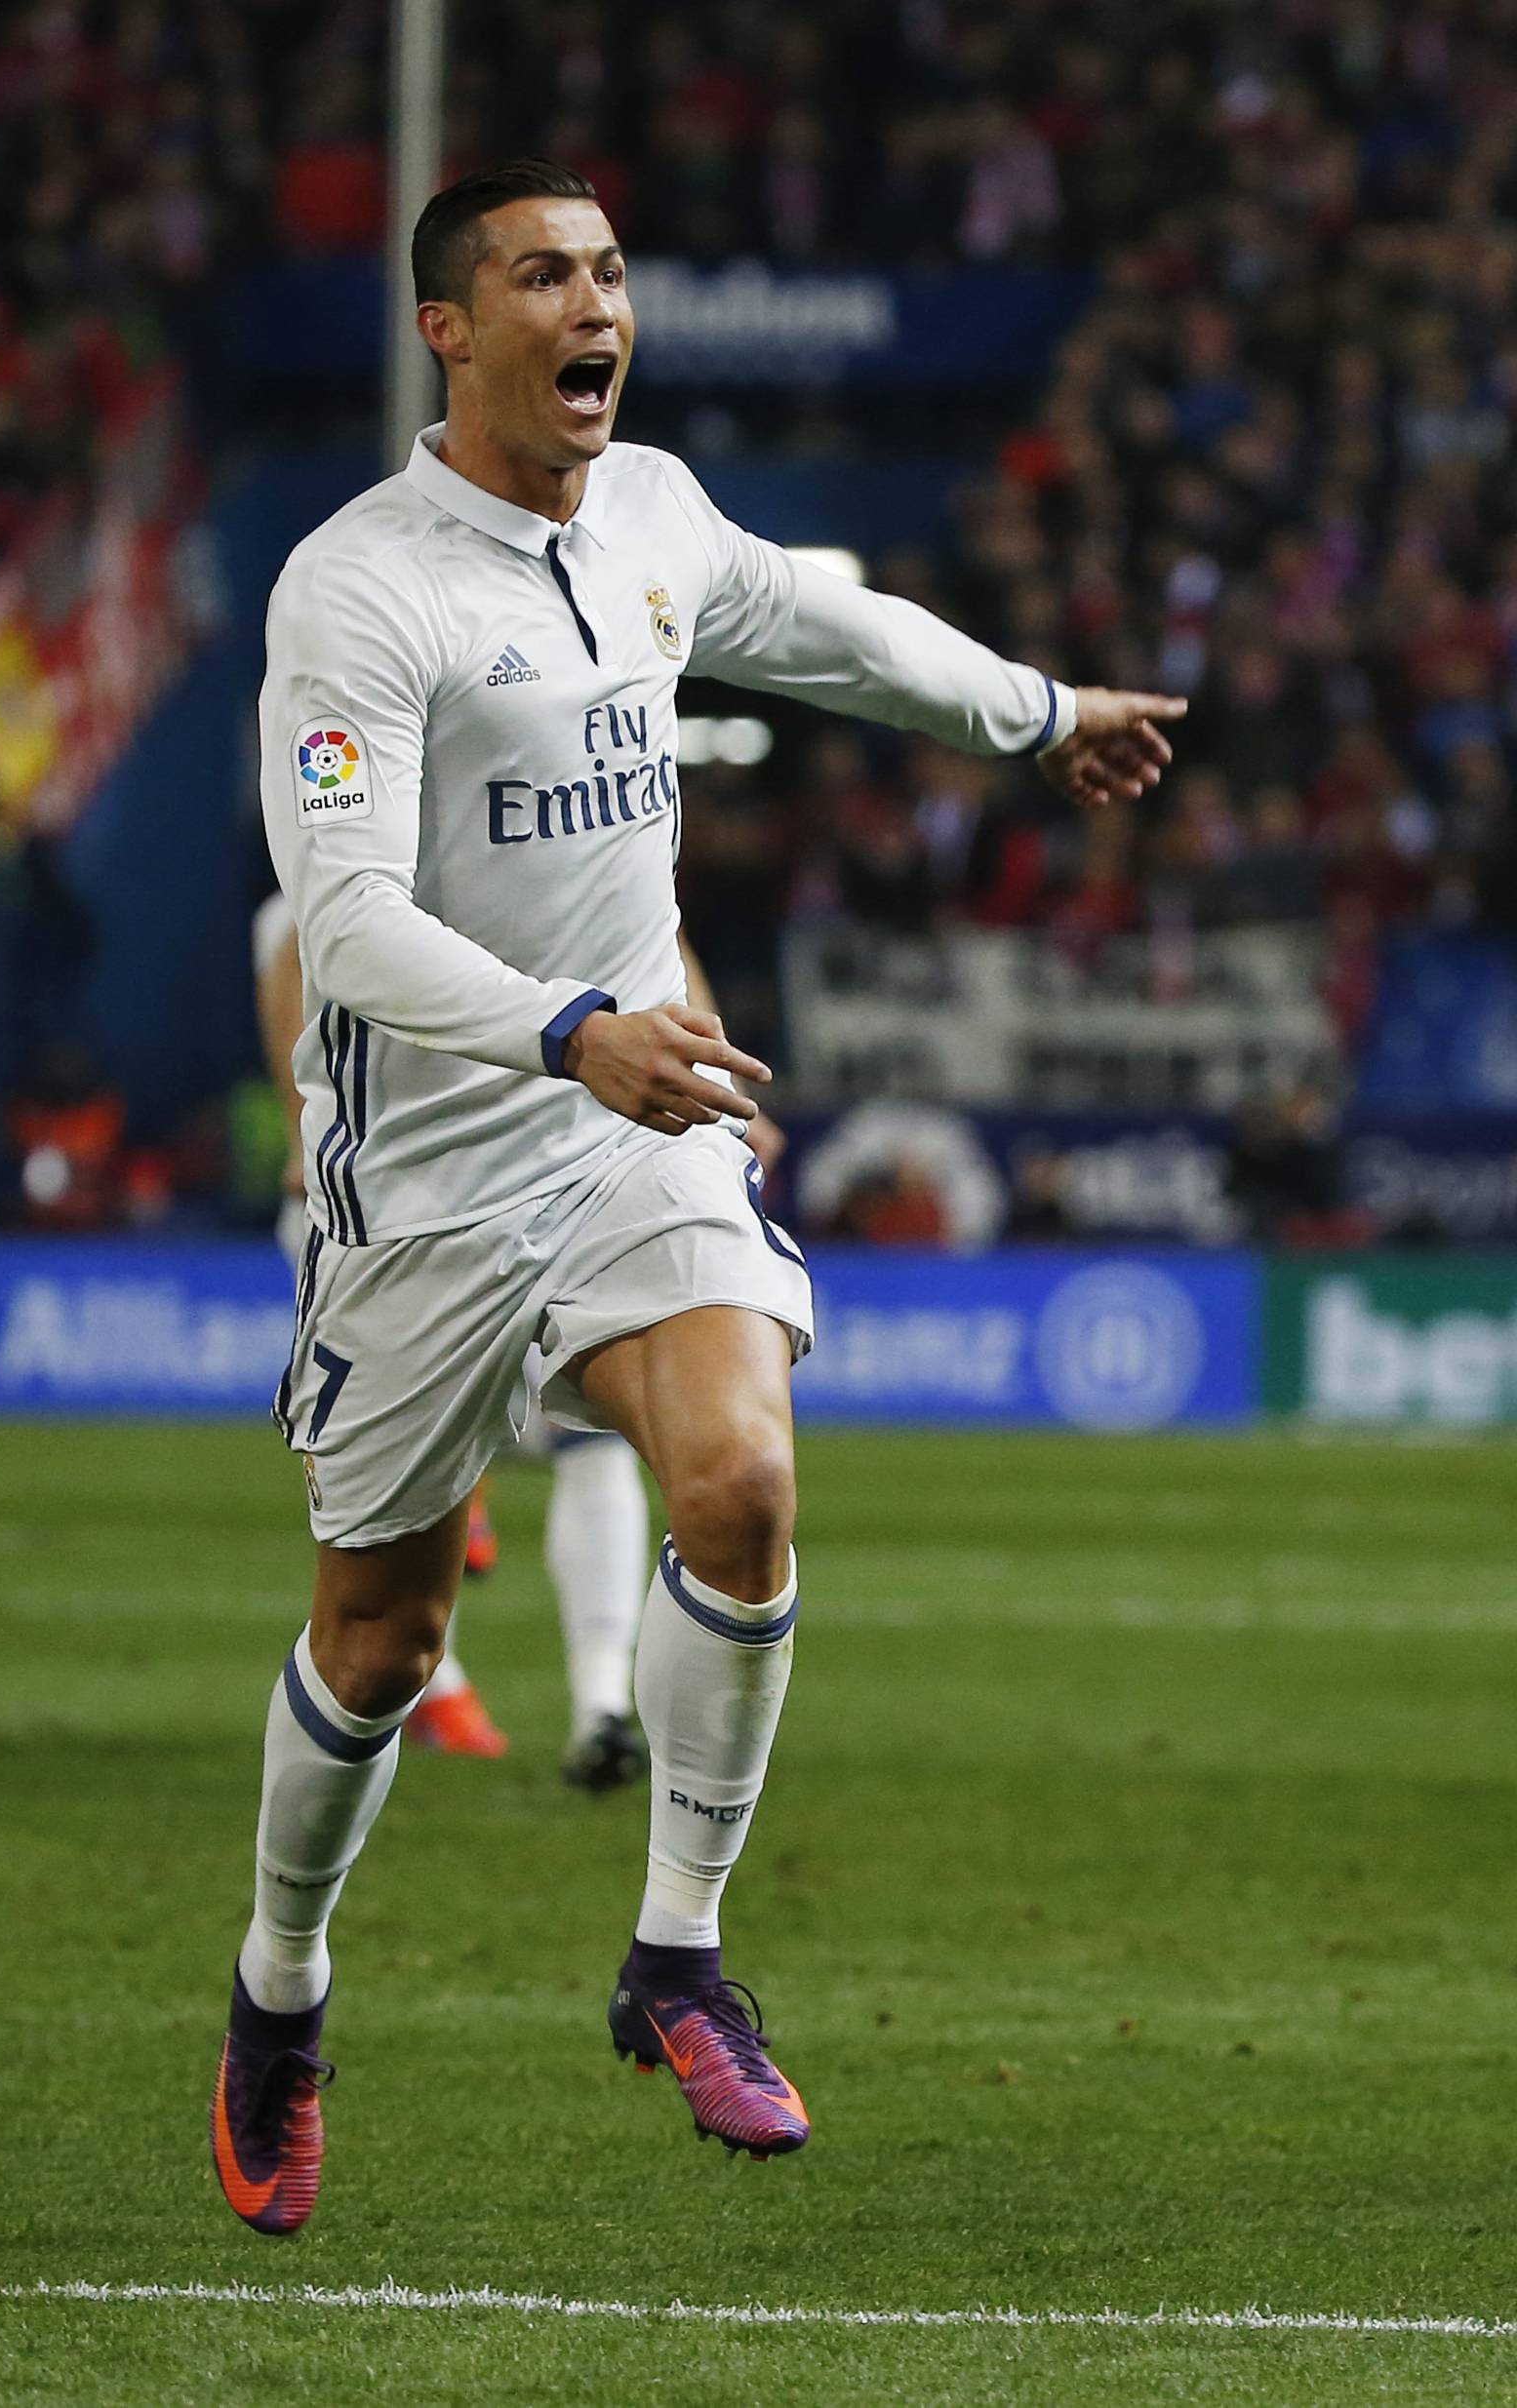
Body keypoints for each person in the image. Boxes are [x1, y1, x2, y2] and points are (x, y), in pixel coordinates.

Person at [214, 158, 1182, 2235]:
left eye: (613, 271)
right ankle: (279, 1988)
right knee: (378, 1638)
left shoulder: (649, 509)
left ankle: (675, 1958)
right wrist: (570, 1022)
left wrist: (1039, 712)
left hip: (625, 1123)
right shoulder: (357, 588)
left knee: (739, 1479)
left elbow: (824, 626)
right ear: (448, 328)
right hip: (430, 1174)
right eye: (546, 274)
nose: (598, 304)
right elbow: (351, 922)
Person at [253, 896, 783, 1787]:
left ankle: (602, 1704)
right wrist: (302, 1124)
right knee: (393, 1521)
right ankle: (447, 1684)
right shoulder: (361, 849)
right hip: (414, 1200)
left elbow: (662, 931)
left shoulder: (587, 813)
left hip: (586, 1175)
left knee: (593, 1443)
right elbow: (299, 961)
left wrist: (715, 1087)